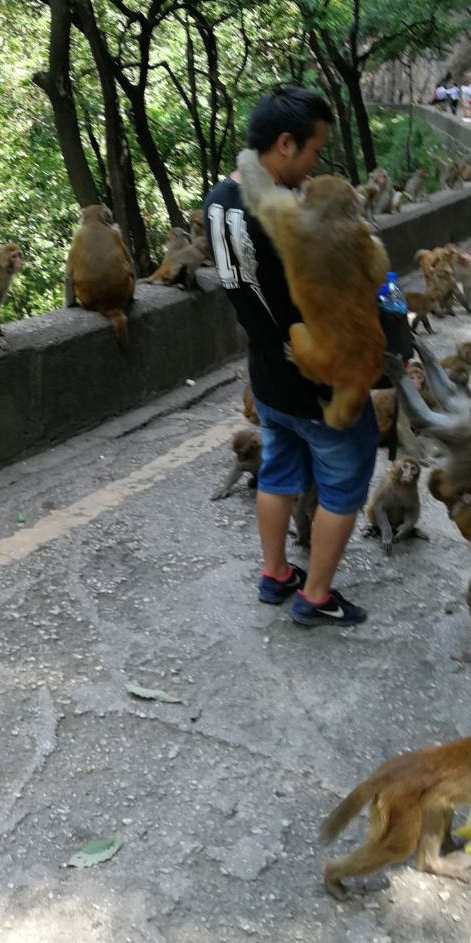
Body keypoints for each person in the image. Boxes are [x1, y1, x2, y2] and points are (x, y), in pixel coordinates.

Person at [203, 87, 379, 628]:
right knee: (344, 483)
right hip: (317, 381)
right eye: (315, 150)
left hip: (266, 377)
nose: (317, 162)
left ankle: (276, 572)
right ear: (285, 144)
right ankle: (317, 595)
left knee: (277, 472)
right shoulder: (292, 226)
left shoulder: (216, 199)